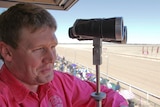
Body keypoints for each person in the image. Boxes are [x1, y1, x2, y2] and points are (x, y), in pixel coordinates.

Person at [0, 3, 128, 107]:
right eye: (39, 49)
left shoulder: (61, 82)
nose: (52, 58)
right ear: (7, 52)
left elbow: (107, 96)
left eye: (53, 47)